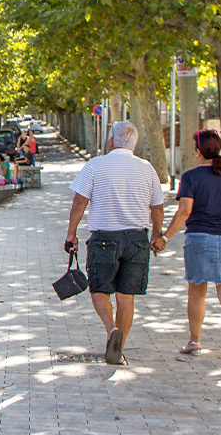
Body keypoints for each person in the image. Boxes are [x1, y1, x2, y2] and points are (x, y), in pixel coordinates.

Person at [64, 121, 166, 366]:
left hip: (105, 237)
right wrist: (157, 234)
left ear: (111, 141)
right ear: (134, 143)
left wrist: (71, 233)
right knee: (126, 295)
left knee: (99, 288)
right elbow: (158, 206)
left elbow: (80, 202)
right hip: (137, 239)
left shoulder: (95, 165)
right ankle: (119, 350)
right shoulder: (147, 168)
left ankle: (111, 329)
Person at [158, 130, 221, 367]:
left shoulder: (191, 177)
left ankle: (195, 341)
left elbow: (184, 211)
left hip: (199, 238)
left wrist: (166, 237)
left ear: (197, 151)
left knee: (197, 293)